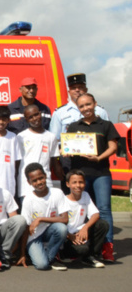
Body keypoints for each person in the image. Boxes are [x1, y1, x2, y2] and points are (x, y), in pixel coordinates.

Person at [66, 93, 118, 262]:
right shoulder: (73, 126)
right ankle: (82, 244)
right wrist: (67, 150)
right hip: (80, 174)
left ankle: (107, 247)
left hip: (101, 173)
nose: (86, 108)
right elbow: (67, 147)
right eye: (81, 106)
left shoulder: (106, 125)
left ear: (95, 103)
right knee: (80, 210)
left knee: (103, 209)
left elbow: (113, 147)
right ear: (78, 108)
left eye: (88, 104)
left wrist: (99, 157)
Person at [49, 73, 110, 191]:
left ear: (86, 89)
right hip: (69, 161)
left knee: (94, 201)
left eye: (81, 87)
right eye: (73, 88)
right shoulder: (60, 113)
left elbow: (107, 138)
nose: (77, 90)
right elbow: (54, 141)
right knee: (71, 199)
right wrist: (56, 164)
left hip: (95, 163)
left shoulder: (100, 112)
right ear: (69, 91)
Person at [18, 163, 68, 271]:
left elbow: (65, 219)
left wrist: (40, 219)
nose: (39, 182)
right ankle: (41, 255)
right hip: (34, 236)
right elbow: (26, 228)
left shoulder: (57, 193)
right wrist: (22, 254)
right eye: (34, 181)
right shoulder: (28, 199)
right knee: (42, 265)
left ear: (45, 176)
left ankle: (51, 256)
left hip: (50, 232)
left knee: (61, 228)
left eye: (41, 178)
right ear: (29, 182)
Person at [61, 170, 109, 268]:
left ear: (85, 183)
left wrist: (85, 228)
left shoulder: (85, 195)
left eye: (81, 182)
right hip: (68, 236)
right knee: (82, 249)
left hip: (80, 232)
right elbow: (58, 224)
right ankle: (64, 254)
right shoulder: (62, 200)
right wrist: (69, 235)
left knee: (103, 224)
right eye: (74, 182)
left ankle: (90, 256)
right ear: (67, 184)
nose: (78, 185)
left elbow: (95, 214)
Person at [17, 104, 62, 205]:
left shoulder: (51, 136)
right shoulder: (21, 137)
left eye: (36, 115)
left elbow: (55, 162)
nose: (34, 119)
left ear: (40, 114)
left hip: (46, 182)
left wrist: (64, 177)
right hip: (26, 184)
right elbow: (17, 162)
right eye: (30, 117)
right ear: (26, 119)